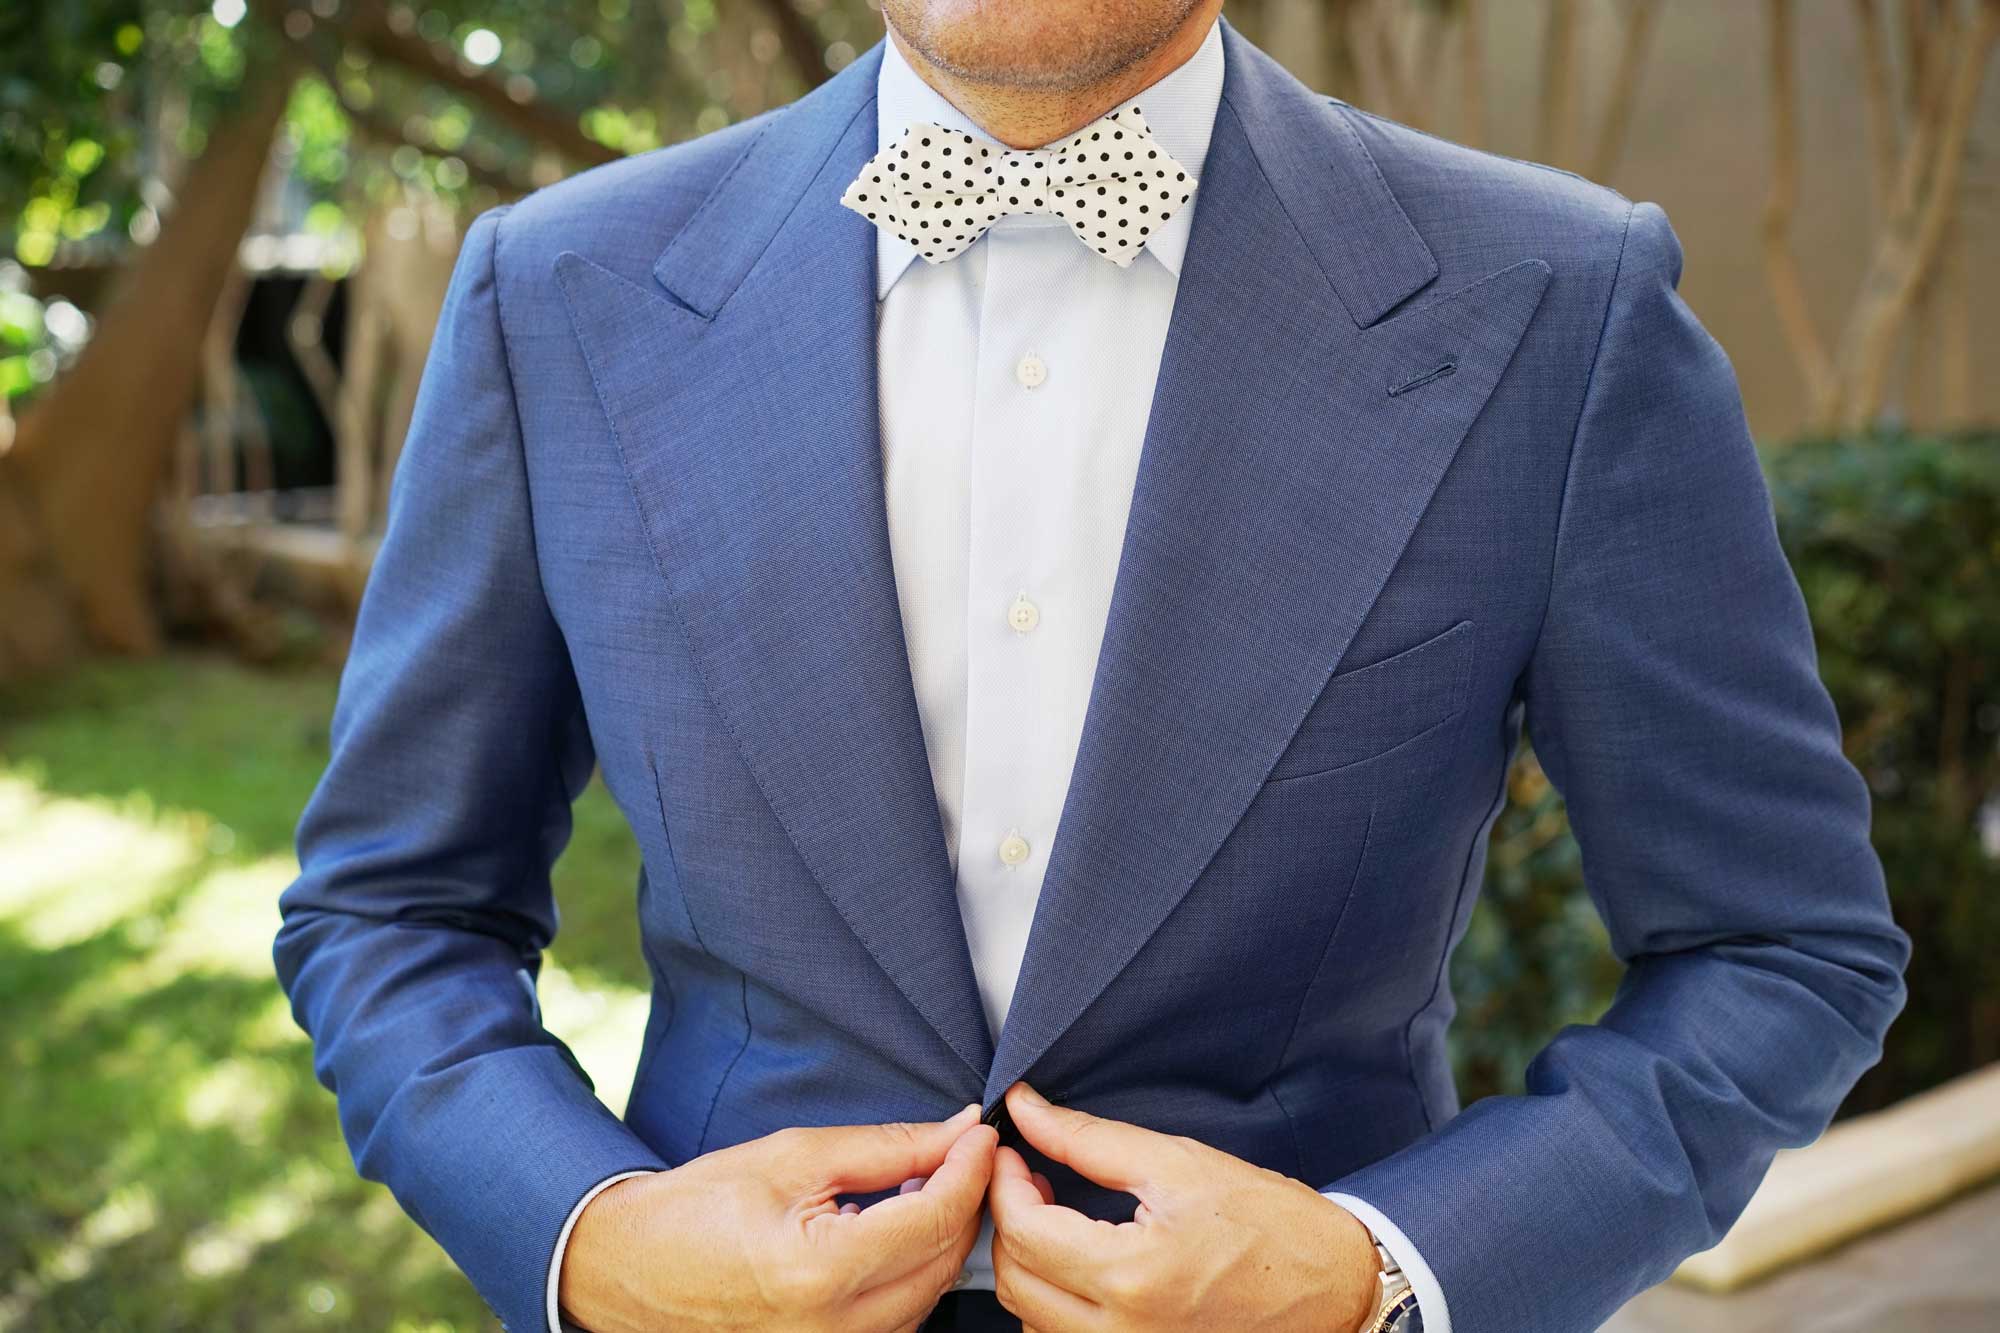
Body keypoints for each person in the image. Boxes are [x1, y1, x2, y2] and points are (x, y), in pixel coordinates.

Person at [273, 2, 1910, 1330]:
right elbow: (390, 909)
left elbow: (1783, 949)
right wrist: (592, 1239)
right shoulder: (555, 296)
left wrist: (1386, 1270)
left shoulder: (1561, 307)